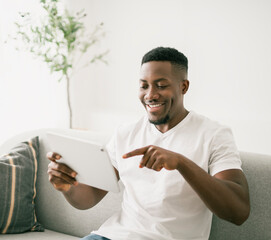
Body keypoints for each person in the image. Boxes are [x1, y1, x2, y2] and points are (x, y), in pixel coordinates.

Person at [47, 47, 250, 240]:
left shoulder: (214, 134)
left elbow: (238, 211)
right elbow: (89, 198)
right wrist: (68, 186)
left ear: (184, 86)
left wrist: (181, 163)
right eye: (144, 86)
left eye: (161, 86)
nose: (150, 95)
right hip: (111, 235)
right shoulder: (125, 133)